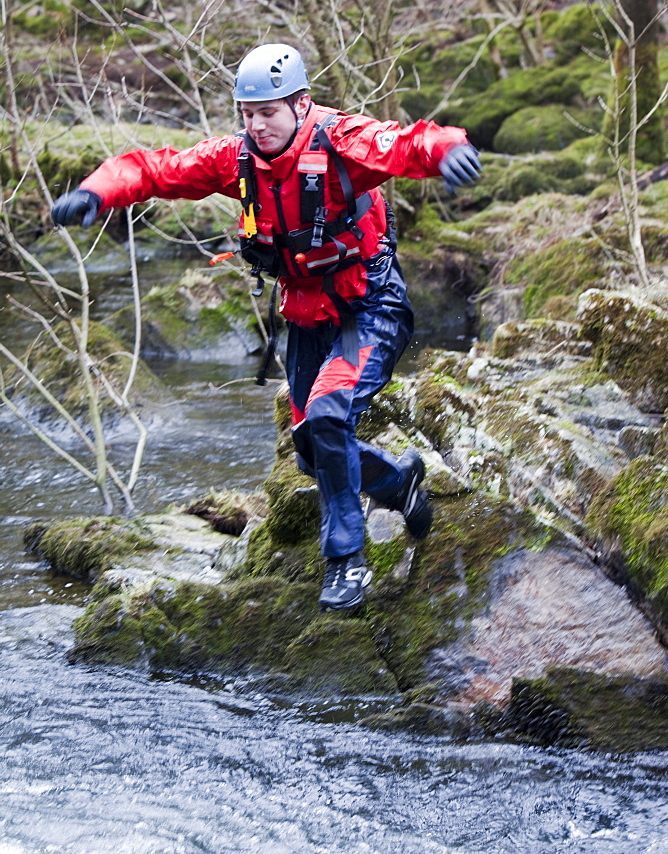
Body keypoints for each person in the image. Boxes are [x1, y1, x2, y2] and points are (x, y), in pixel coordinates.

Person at [51, 43, 481, 611]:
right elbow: (158, 168)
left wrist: (450, 149)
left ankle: (346, 561)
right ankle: (397, 482)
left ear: (301, 105)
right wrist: (97, 191)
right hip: (305, 316)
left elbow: (406, 143)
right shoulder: (238, 160)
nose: (256, 126)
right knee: (311, 449)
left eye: (268, 113)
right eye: (247, 114)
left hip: (368, 309)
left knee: (328, 414)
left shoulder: (340, 141)